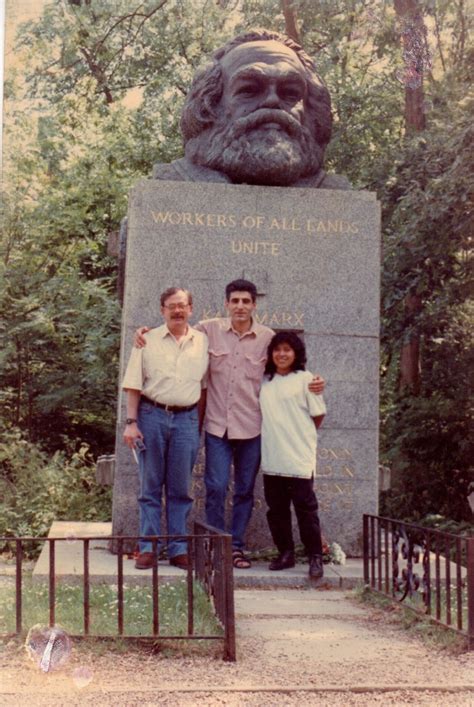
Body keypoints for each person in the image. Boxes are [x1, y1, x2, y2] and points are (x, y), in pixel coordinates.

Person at [134, 279, 325, 569]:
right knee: (216, 486)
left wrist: (314, 381)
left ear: (254, 305)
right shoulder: (207, 331)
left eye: (245, 301)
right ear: (226, 303)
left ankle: (235, 547)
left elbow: (288, 364)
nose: (240, 306)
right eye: (234, 301)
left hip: (252, 427)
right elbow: (175, 332)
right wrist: (143, 333)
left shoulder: (268, 337)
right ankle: (214, 544)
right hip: (217, 426)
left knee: (245, 490)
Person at [153, 29, 350, 190]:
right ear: (209, 106)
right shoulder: (168, 185)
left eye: (289, 93)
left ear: (311, 112)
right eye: (249, 90)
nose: (272, 100)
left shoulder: (339, 200)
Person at [122, 287, 208, 570]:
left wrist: (198, 424)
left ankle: (177, 548)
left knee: (180, 488)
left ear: (191, 309)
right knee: (150, 485)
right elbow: (134, 383)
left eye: (182, 305)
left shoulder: (203, 342)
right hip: (151, 415)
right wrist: (131, 423)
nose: (177, 311)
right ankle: (148, 547)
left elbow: (204, 387)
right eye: (172, 306)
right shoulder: (147, 340)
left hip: (187, 420)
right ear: (162, 310)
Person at [259, 331, 326, 579]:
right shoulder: (265, 381)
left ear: (296, 353)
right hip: (272, 457)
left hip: (299, 457)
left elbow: (318, 416)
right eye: (277, 349)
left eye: (287, 349)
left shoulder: (306, 380)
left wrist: (299, 434)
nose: (282, 354)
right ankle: (285, 553)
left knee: (305, 510)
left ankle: (315, 557)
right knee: (276, 510)